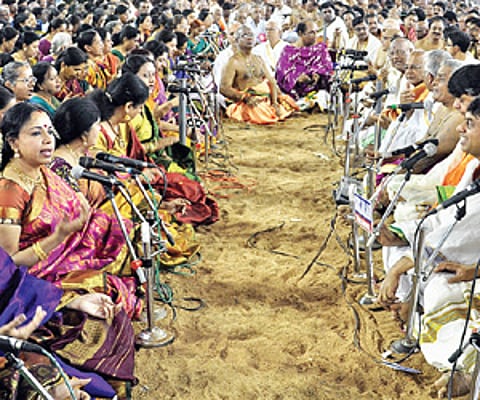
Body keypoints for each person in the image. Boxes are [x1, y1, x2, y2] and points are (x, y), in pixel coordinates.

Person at [0, 102, 138, 399]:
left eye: (49, 131)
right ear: (13, 142)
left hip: (59, 262)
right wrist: (58, 239)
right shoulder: (9, 190)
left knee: (119, 234)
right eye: (36, 133)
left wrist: (70, 233)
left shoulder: (44, 172)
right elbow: (10, 265)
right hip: (33, 278)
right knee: (98, 323)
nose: (48, 139)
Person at [90, 73, 219, 226]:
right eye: (140, 107)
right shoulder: (97, 134)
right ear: (128, 106)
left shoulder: (124, 125)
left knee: (191, 189)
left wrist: (147, 172)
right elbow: (102, 175)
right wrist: (138, 178)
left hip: (135, 179)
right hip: (117, 190)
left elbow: (137, 156)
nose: (140, 111)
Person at [220, 25, 298, 124]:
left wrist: (274, 102)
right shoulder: (233, 62)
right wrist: (245, 98)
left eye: (251, 35)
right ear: (237, 40)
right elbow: (224, 88)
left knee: (288, 101)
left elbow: (271, 81)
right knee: (259, 111)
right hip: (250, 102)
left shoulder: (259, 59)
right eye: (244, 35)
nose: (249, 38)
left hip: (267, 99)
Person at [276, 20, 333, 108]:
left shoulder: (320, 49)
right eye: (311, 33)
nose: (315, 36)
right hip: (294, 95)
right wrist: (297, 78)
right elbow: (281, 74)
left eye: (316, 32)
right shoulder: (288, 52)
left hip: (317, 93)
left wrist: (318, 74)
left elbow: (327, 67)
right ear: (300, 34)